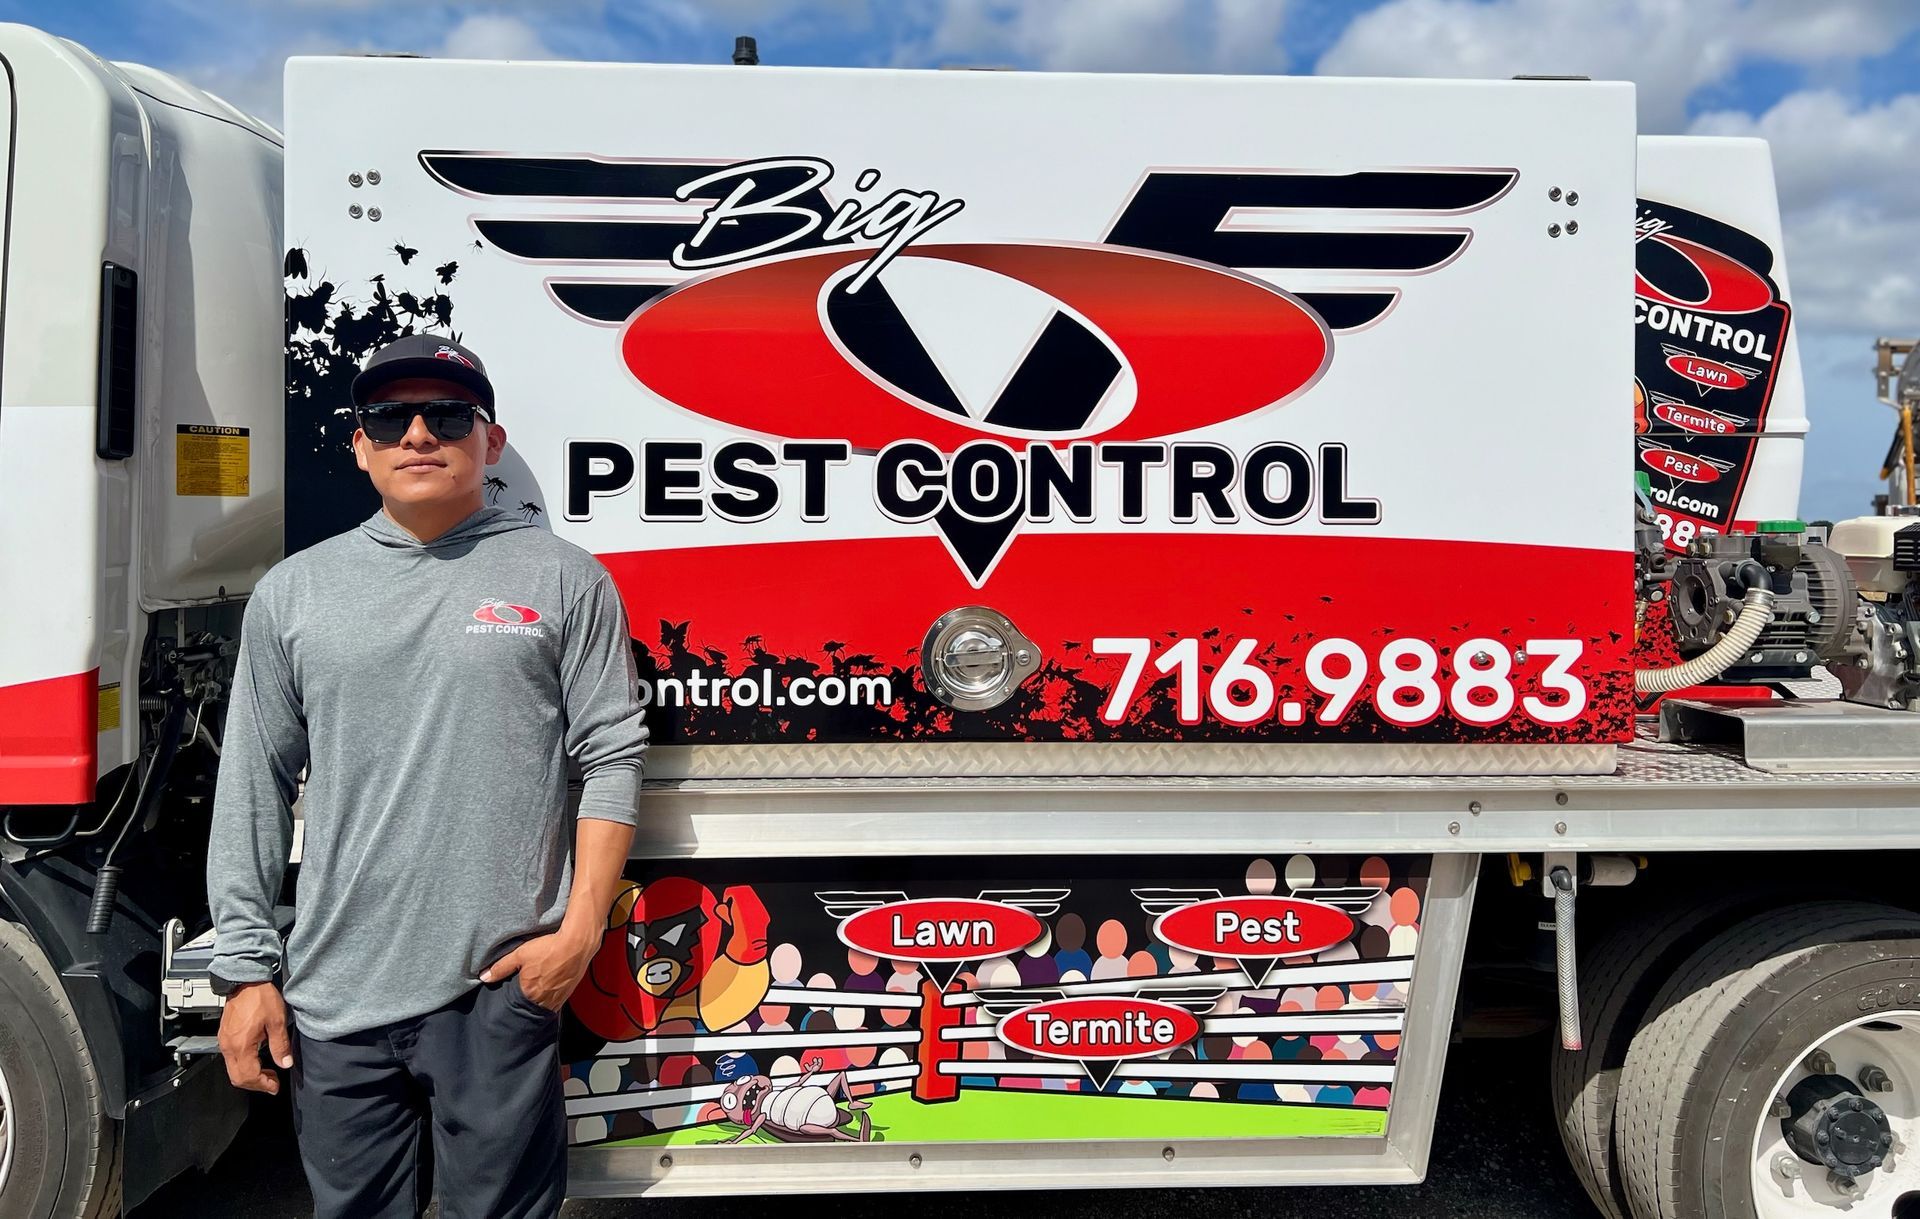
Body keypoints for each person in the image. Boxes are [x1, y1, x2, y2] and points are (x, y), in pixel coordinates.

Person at [205, 334, 649, 1218]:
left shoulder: (566, 580)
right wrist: (246, 971)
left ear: (490, 440)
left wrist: (577, 934)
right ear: (361, 443)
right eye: (390, 417)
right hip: (335, 992)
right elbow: (252, 782)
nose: (418, 433)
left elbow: (610, 756)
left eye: (446, 414)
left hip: (497, 990)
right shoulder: (292, 595)